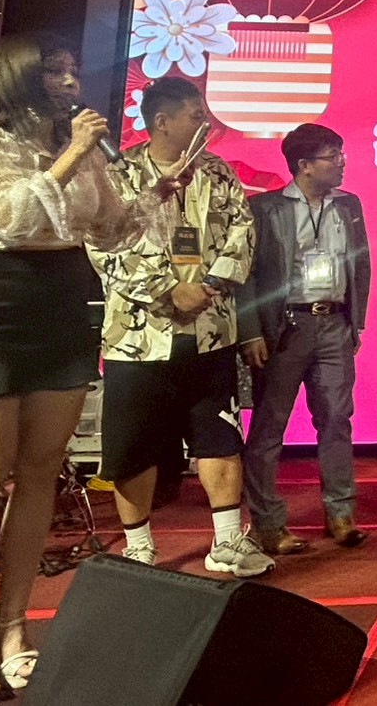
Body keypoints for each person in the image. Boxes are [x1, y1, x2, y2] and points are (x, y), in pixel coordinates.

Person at [0, 34, 173, 706]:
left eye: (71, 71)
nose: (71, 82)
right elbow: (9, 218)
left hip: (64, 301)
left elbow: (108, 230)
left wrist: (156, 194)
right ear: (19, 78)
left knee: (41, 473)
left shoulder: (79, 144)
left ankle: (11, 623)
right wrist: (72, 153)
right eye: (55, 72)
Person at [86, 76, 272, 577]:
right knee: (134, 445)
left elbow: (243, 233)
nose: (205, 123)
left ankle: (228, 541)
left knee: (220, 435)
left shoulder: (218, 172)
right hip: (137, 338)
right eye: (195, 115)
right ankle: (139, 546)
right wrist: (168, 290)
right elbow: (104, 246)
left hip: (210, 330)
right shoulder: (118, 174)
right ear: (162, 122)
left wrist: (208, 286)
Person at [241, 124, 372, 555]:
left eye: (341, 153)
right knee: (269, 426)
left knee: (336, 419)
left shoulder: (348, 205)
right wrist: (251, 332)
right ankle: (269, 523)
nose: (342, 162)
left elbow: (361, 265)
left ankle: (340, 513)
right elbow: (246, 274)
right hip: (285, 328)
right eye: (333, 156)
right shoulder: (265, 208)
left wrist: (356, 323)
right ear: (304, 165)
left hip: (334, 324)